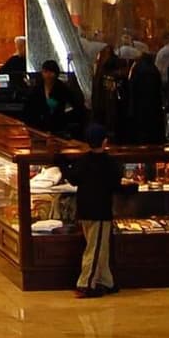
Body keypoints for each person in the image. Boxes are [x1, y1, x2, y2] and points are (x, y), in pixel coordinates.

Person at [72, 124, 120, 298]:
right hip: (100, 211)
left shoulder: (83, 161)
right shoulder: (109, 163)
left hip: (84, 209)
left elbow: (74, 179)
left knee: (99, 247)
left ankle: (107, 281)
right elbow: (116, 184)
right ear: (105, 141)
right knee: (95, 248)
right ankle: (86, 283)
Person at [24, 60, 88, 137]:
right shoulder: (37, 88)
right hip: (39, 128)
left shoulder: (62, 88)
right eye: (45, 72)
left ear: (56, 73)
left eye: (51, 72)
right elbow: (29, 108)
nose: (48, 75)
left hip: (58, 128)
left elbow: (76, 104)